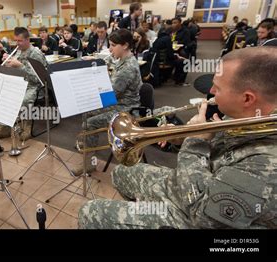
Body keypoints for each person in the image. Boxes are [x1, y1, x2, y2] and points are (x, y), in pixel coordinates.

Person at [79, 46, 277, 229]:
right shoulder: (245, 115)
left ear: (247, 98)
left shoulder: (267, 163)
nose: (211, 91)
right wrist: (181, 139)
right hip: (198, 184)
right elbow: (214, 152)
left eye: (218, 87)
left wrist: (194, 142)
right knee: (121, 173)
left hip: (200, 215)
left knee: (89, 212)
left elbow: (204, 217)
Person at [71, 29, 142, 176]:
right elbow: (109, 60)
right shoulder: (123, 59)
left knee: (88, 122)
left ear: (125, 45)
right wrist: (95, 61)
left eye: (113, 45)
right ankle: (87, 141)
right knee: (86, 112)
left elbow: (109, 94)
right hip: (117, 101)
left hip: (126, 108)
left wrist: (88, 92)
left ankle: (88, 163)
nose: (110, 48)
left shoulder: (128, 68)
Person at [171, 17, 191, 86]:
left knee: (184, 61)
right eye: (172, 23)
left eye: (175, 23)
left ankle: (181, 80)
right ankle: (175, 77)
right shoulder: (172, 31)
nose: (173, 24)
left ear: (180, 23)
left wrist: (176, 43)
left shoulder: (185, 31)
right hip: (173, 49)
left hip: (182, 49)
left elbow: (186, 42)